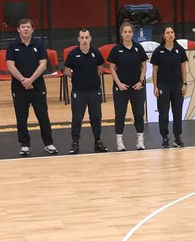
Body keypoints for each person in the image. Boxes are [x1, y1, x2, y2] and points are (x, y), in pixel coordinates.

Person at [6, 18, 57, 156]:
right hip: (19, 86)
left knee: (43, 115)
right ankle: (24, 145)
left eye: (28, 27)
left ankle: (49, 143)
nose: (26, 29)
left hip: (37, 86)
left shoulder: (39, 44)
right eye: (23, 27)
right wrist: (23, 80)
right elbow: (10, 65)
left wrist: (31, 80)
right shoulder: (12, 46)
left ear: (32, 29)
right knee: (21, 117)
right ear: (18, 29)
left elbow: (43, 64)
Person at [64, 28, 108, 154]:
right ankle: (75, 143)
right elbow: (67, 71)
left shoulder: (96, 53)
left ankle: (98, 141)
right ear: (78, 39)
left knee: (96, 117)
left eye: (86, 37)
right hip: (79, 91)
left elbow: (100, 69)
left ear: (90, 38)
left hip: (94, 91)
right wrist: (78, 78)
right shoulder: (73, 54)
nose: (84, 40)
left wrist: (91, 78)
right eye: (82, 38)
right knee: (77, 118)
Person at [108, 20, 148, 151]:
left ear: (133, 33)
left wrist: (141, 81)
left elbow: (144, 66)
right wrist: (118, 84)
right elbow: (112, 68)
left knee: (139, 114)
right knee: (120, 115)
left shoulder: (138, 48)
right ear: (121, 34)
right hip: (121, 88)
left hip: (137, 87)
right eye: (125, 32)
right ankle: (119, 142)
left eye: (129, 32)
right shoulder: (116, 50)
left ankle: (140, 141)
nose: (127, 34)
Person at [151, 26, 188, 148]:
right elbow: (155, 69)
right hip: (163, 86)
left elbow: (183, 67)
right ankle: (165, 137)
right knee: (163, 113)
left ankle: (177, 137)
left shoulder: (180, 50)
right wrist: (155, 86)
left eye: (172, 32)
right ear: (163, 36)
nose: (170, 34)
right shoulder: (158, 51)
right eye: (167, 33)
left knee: (177, 113)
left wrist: (185, 83)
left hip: (177, 85)